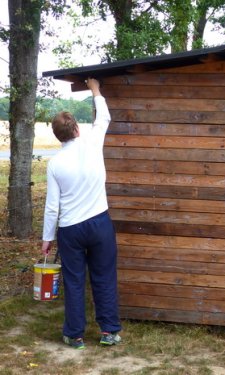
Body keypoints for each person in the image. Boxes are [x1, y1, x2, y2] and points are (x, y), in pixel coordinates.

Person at [41, 78, 121, 349]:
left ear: (58, 135)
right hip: (99, 224)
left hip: (70, 229)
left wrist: (46, 238)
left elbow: (52, 205)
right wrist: (95, 89)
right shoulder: (91, 143)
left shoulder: (54, 163)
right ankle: (109, 332)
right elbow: (104, 118)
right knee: (104, 277)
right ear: (76, 128)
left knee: (74, 282)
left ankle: (74, 335)